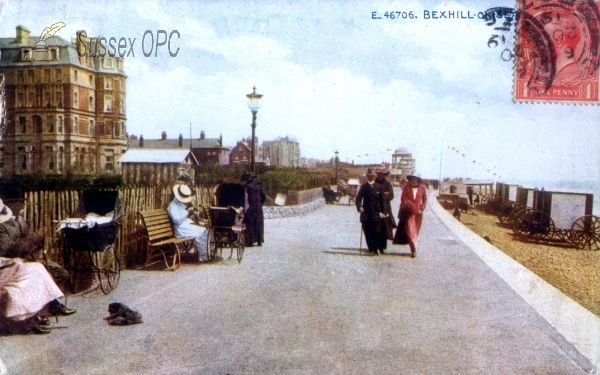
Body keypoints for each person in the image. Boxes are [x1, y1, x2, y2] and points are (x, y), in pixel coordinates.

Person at [0, 200, 75, 335]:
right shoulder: (1, 229)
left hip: (26, 259)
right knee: (26, 282)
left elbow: (34, 239)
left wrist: (28, 243)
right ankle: (31, 319)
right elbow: (8, 250)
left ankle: (50, 306)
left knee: (54, 271)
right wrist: (27, 243)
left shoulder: (18, 221)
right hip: (10, 264)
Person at [167, 183, 210, 262]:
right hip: (180, 229)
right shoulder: (172, 206)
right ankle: (203, 257)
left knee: (205, 230)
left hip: (185, 226)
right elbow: (177, 220)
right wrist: (187, 212)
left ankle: (205, 254)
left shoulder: (179, 204)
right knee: (203, 231)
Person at [393, 173, 427, 258]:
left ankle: (413, 247)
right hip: (408, 213)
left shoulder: (422, 188)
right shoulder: (406, 187)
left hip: (418, 214)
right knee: (410, 231)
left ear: (418, 180)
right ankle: (413, 250)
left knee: (415, 231)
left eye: (415, 179)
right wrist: (408, 205)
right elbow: (403, 199)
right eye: (411, 179)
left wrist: (422, 208)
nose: (413, 181)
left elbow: (425, 199)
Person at [355, 168, 388, 255]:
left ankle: (376, 247)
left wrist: (383, 212)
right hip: (366, 214)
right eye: (369, 176)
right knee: (367, 232)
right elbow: (358, 199)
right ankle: (371, 249)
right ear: (366, 177)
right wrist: (359, 207)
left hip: (376, 213)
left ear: (375, 176)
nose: (370, 177)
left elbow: (383, 200)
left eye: (372, 176)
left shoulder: (379, 187)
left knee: (377, 231)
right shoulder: (363, 187)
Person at [241, 173, 266, 247]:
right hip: (258, 206)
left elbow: (244, 198)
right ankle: (259, 240)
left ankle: (250, 241)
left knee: (250, 223)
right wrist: (260, 204)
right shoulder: (258, 186)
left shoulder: (246, 187)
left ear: (247, 179)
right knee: (258, 223)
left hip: (251, 206)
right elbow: (264, 197)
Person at [375, 166, 397, 241]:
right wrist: (383, 195)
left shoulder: (387, 184)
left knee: (386, 223)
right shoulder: (374, 183)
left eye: (381, 174)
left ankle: (386, 239)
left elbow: (391, 195)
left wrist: (382, 197)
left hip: (386, 207)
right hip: (376, 206)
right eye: (378, 174)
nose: (380, 176)